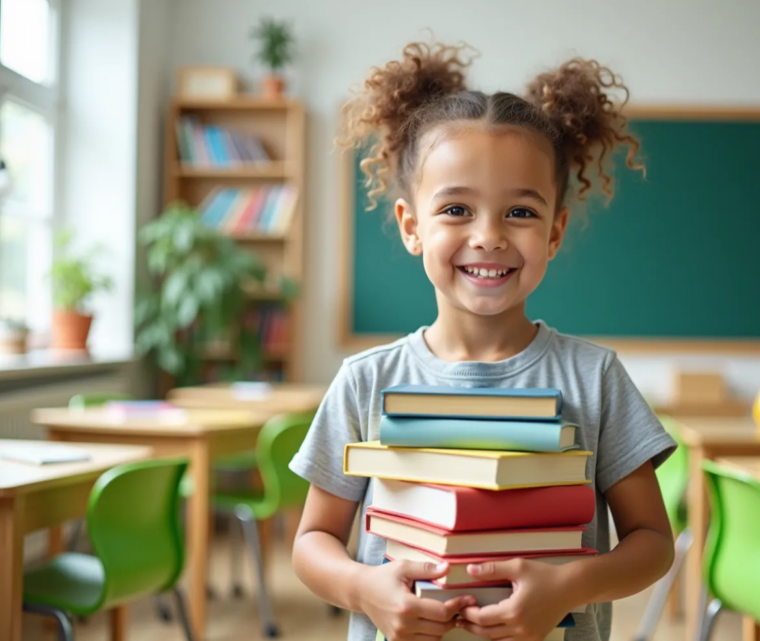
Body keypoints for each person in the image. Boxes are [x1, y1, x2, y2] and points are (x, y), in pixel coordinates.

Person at [290, 40, 677, 641]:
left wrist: (569, 586)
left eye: (521, 213)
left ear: (555, 232)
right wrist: (364, 589)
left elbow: (653, 543)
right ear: (411, 227)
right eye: (456, 210)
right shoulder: (365, 380)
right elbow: (312, 543)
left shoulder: (595, 378)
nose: (489, 236)